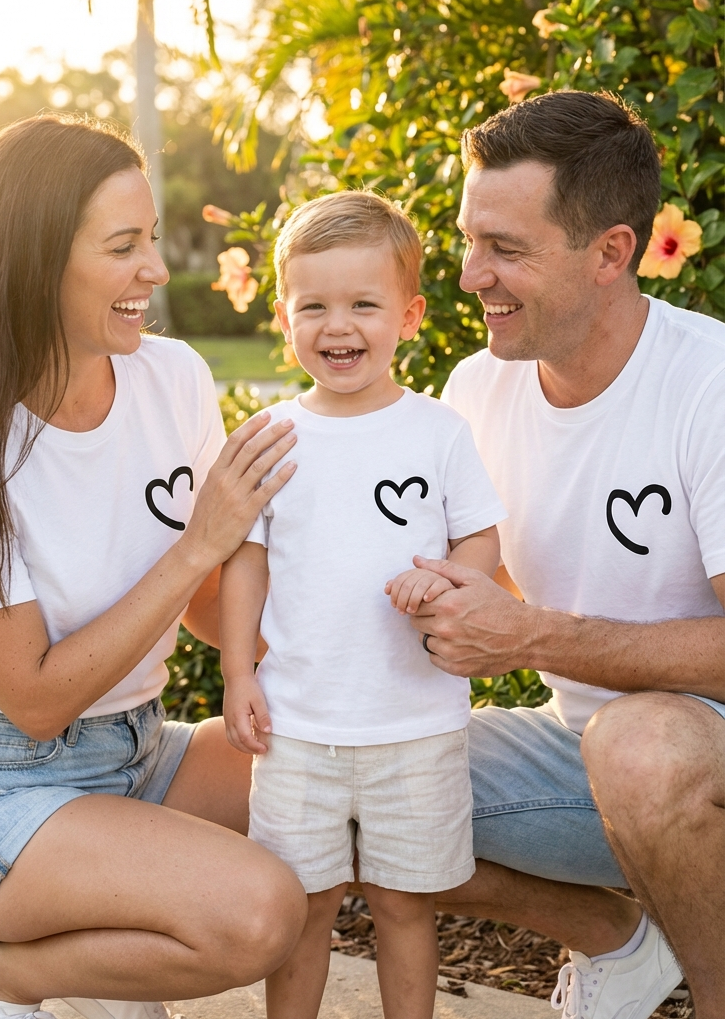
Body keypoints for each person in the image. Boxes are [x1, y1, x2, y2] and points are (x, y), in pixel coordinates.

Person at [0, 116, 307, 1019]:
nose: (155, 269)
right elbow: (36, 700)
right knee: (259, 912)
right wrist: (199, 542)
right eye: (124, 247)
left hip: (142, 746)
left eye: (152, 238)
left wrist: (358, 626)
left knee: (350, 780)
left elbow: (204, 607)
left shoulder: (172, 376)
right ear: (36, 261)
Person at [406, 91, 724, 1019]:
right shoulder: (478, 389)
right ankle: (619, 941)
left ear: (611, 254)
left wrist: (533, 636)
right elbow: (472, 579)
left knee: (640, 744)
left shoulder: (708, 384)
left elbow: (531, 628)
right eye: (469, 240)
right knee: (340, 772)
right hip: (586, 758)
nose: (471, 275)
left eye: (505, 248)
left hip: (681, 755)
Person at [215, 192, 506, 1019]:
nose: (337, 326)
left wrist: (447, 579)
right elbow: (246, 562)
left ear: (408, 316)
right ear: (284, 316)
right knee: (302, 909)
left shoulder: (438, 432)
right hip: (298, 728)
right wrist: (238, 672)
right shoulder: (271, 435)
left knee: (404, 903)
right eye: (314, 306)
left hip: (415, 726)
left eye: (363, 305)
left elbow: (482, 540)